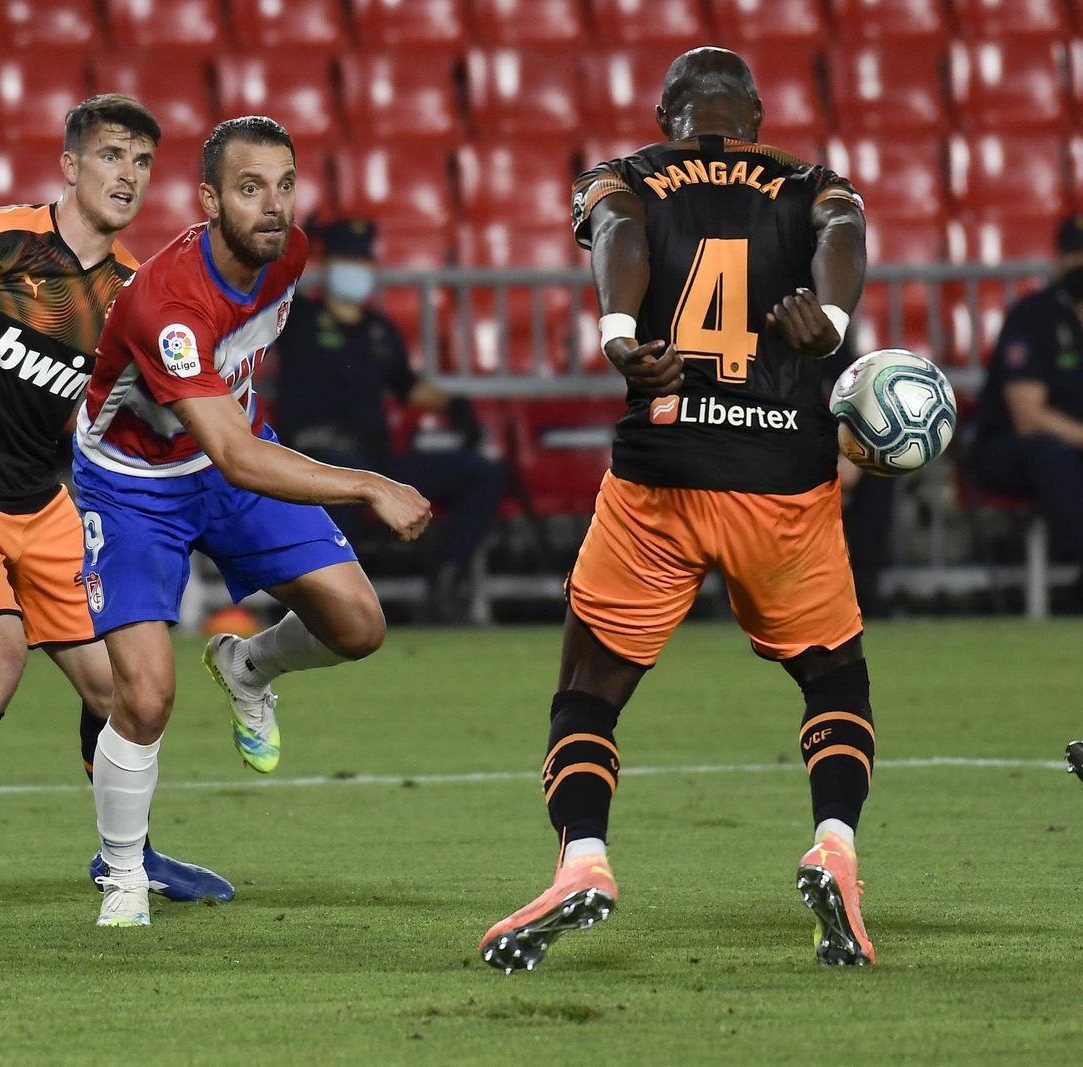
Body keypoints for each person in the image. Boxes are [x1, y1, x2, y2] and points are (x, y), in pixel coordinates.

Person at [477, 47, 876, 971]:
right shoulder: (812, 181)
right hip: (783, 476)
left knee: (588, 689)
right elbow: (845, 226)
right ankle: (835, 847)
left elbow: (614, 223)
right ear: (758, 116)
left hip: (661, 474)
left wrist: (620, 333)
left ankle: (584, 860)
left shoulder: (624, 175)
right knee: (833, 680)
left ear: (668, 115)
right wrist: (835, 317)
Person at [0, 94, 233, 915]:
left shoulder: (134, 293)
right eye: (110, 156)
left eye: (140, 162)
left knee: (122, 690)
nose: (126, 175)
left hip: (43, 502)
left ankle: (124, 854)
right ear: (70, 164)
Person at [71, 116, 431, 927]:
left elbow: (234, 425)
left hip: (226, 457)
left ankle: (249, 666)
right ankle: (124, 876)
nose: (273, 206)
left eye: (284, 185)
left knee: (359, 624)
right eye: (248, 187)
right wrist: (367, 483)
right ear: (207, 199)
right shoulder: (168, 301)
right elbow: (235, 453)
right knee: (148, 694)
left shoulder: (290, 255)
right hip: (133, 489)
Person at [273, 217, 508, 623]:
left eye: (363, 260)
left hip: (376, 461)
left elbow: (408, 387)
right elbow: (269, 283)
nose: (357, 268)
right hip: (318, 463)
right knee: (336, 506)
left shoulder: (379, 330)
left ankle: (446, 578)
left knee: (483, 475)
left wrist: (454, 403)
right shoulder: (297, 319)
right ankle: (333, 610)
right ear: (328, 265)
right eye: (348, 258)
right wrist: (294, 243)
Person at [970, 216, 1083, 583]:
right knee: (1047, 450)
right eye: (1075, 253)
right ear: (1059, 261)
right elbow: (1028, 417)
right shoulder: (1034, 317)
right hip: (1009, 449)